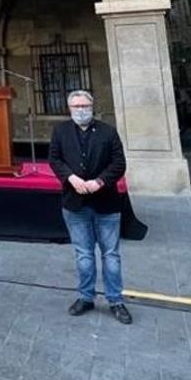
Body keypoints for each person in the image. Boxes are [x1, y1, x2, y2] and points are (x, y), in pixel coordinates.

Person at [48, 90, 132, 325]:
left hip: (106, 202)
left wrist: (99, 182)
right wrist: (71, 178)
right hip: (75, 203)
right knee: (83, 254)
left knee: (111, 255)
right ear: (69, 109)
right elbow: (55, 159)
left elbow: (119, 163)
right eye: (76, 106)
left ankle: (116, 300)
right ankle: (86, 296)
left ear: (92, 106)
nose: (80, 109)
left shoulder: (108, 131)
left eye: (84, 105)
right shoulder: (61, 131)